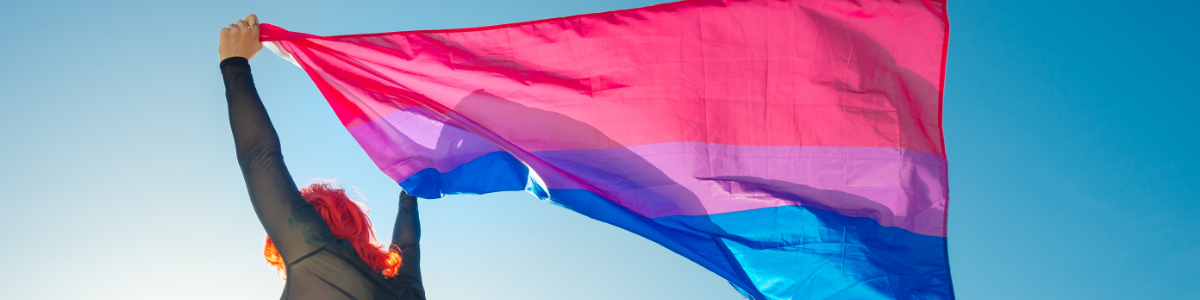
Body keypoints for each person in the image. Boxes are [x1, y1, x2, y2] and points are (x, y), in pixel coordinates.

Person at [220, 14, 426, 300]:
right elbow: (408, 245)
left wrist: (234, 63)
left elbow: (261, 155)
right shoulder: (408, 291)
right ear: (357, 226)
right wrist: (410, 189)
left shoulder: (315, 255)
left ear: (310, 223)